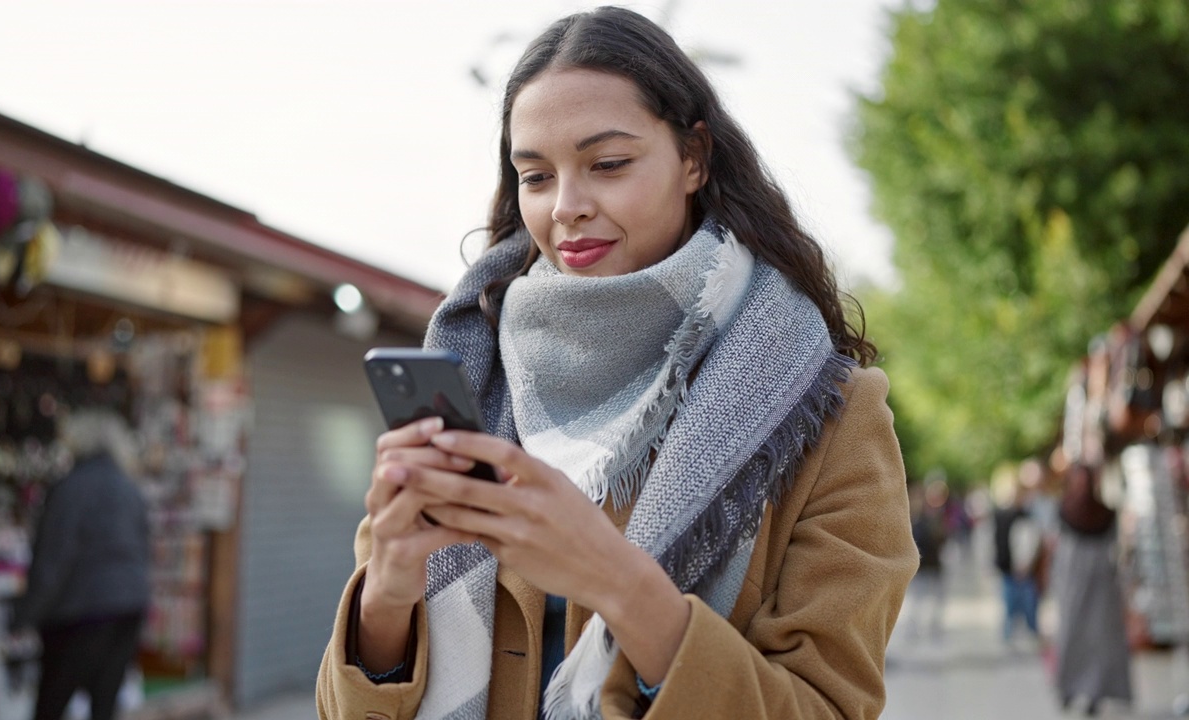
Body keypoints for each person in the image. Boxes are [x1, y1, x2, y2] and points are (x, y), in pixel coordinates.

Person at [316, 7, 917, 718]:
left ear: (694, 157)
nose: (566, 207)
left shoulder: (829, 412)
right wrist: (386, 592)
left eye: (607, 165)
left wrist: (620, 585)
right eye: (535, 176)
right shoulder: (473, 373)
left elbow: (830, 708)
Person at [13, 408, 150, 720]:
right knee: (104, 705)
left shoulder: (71, 488)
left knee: (51, 705)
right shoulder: (129, 488)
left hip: (82, 615)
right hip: (128, 608)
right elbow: (142, 550)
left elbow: (52, 560)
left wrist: (25, 616)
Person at [1052, 463, 1132, 716]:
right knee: (1070, 637)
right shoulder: (1063, 510)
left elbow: (1115, 549)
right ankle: (1069, 688)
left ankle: (1096, 693)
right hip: (1072, 585)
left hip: (1101, 586)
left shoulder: (1106, 514)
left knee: (1100, 641)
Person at [992, 463, 1045, 644]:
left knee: (1027, 603)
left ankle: (1030, 633)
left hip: (1022, 567)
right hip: (1008, 566)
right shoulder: (1003, 514)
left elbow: (1029, 541)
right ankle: (1010, 635)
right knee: (1010, 604)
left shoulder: (1025, 514)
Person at [904, 481, 948, 641]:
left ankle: (934, 628)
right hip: (922, 566)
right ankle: (914, 629)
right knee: (918, 600)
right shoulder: (917, 518)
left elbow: (943, 538)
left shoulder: (938, 517)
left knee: (936, 599)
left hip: (935, 565)